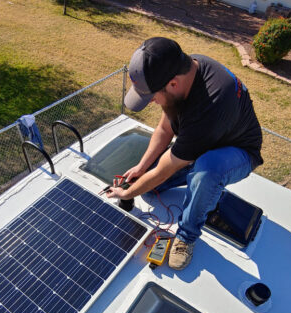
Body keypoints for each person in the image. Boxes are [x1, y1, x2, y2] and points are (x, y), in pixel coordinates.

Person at [105, 37, 262, 270]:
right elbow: (164, 128)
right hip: (204, 143)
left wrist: (127, 194)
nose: (151, 103)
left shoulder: (211, 102)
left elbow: (163, 170)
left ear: (173, 84)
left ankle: (187, 235)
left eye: (151, 96)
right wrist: (141, 167)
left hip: (239, 153)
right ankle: (202, 183)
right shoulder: (183, 70)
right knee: (151, 188)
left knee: (208, 169)